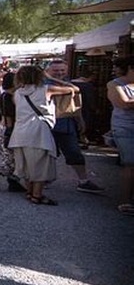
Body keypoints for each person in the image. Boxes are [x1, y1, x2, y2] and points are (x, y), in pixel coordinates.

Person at [8, 65, 79, 205]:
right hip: (38, 130)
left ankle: (30, 192)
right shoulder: (46, 90)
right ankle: (37, 195)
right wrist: (51, 78)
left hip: (20, 131)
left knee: (26, 163)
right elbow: (74, 89)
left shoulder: (17, 93)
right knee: (40, 163)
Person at [44, 60, 105, 194]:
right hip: (47, 124)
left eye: (62, 70)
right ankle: (43, 179)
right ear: (48, 71)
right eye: (56, 70)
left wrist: (80, 120)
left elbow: (75, 105)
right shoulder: (44, 85)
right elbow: (74, 91)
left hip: (66, 123)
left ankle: (83, 181)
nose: (59, 73)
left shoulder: (68, 83)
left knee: (74, 152)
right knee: (47, 154)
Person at [106, 56, 134, 216]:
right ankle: (125, 200)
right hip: (125, 128)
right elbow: (122, 103)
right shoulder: (115, 84)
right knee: (130, 163)